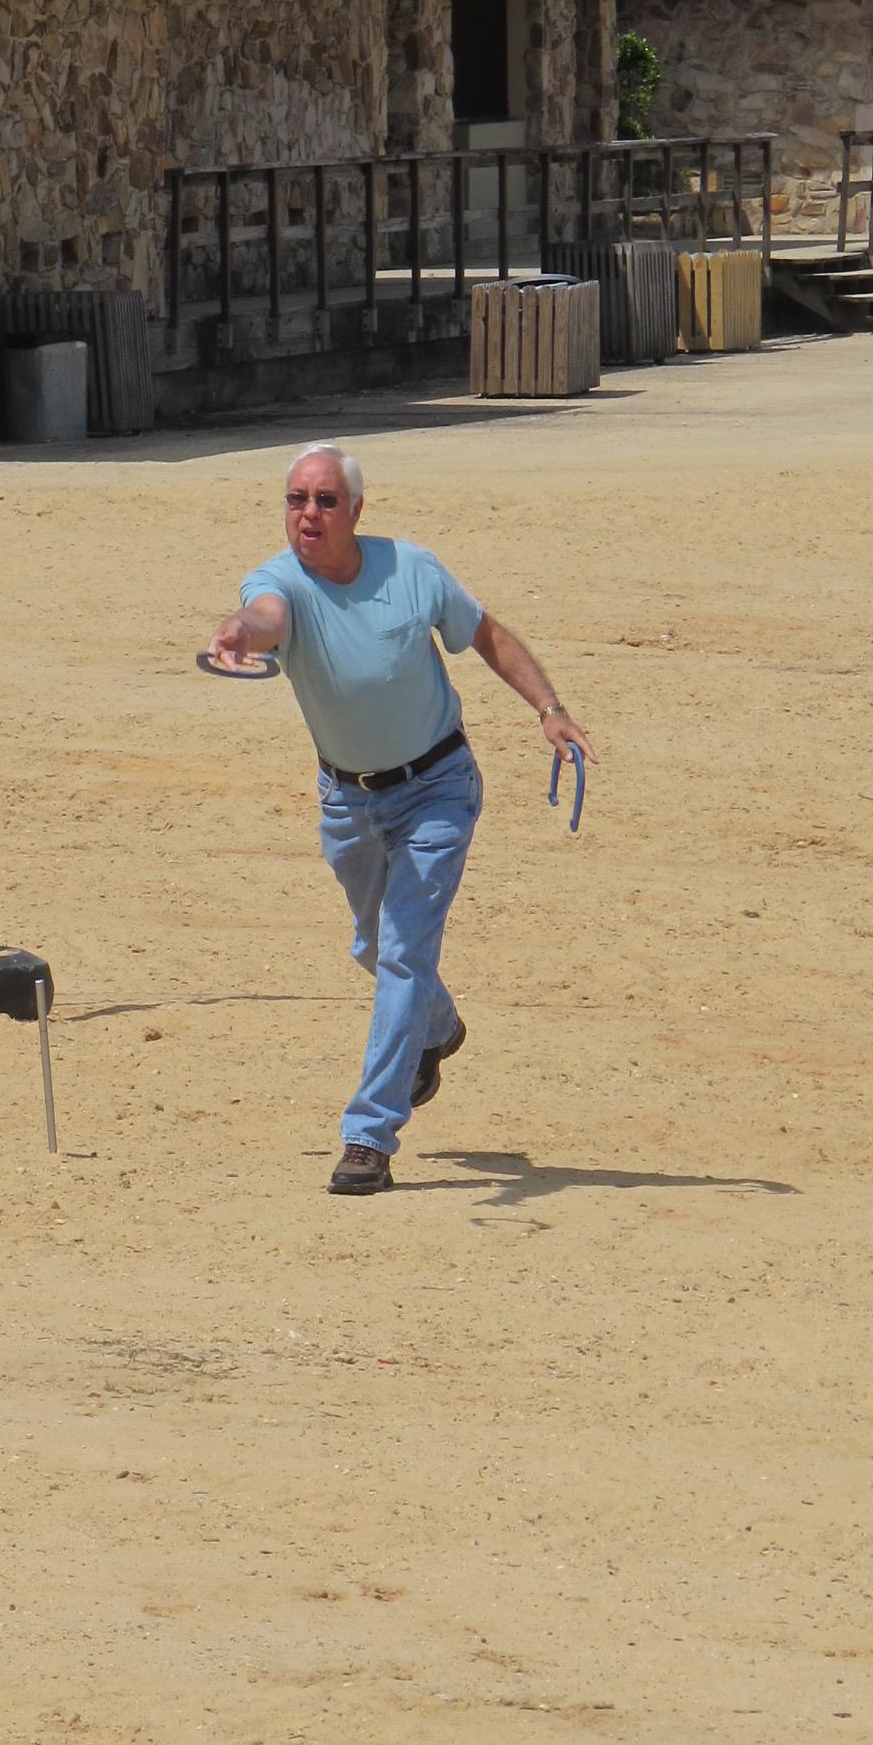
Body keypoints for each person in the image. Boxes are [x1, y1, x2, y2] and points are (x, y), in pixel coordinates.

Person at [207, 441, 595, 1196]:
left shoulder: (412, 568)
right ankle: (437, 1027)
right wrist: (234, 635)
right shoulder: (280, 580)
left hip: (437, 787)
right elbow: (262, 618)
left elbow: (486, 634)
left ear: (356, 508)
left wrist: (549, 710)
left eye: (324, 501)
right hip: (347, 800)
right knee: (373, 946)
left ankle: (368, 1136)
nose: (308, 514)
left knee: (403, 953)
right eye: (296, 500)